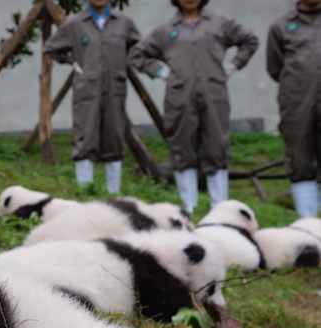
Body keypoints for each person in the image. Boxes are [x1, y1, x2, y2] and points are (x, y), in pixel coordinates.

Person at [130, 0, 259, 213]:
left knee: (216, 147)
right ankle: (188, 208)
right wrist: (161, 72)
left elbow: (250, 40)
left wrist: (233, 65)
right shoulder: (165, 31)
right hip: (180, 97)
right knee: (183, 148)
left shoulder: (220, 23)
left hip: (214, 94)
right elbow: (137, 54)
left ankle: (220, 208)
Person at [45, 0, 141, 194]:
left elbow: (139, 47)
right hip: (86, 90)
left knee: (114, 137)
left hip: (115, 88)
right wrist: (73, 61)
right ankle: (85, 195)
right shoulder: (75, 23)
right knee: (85, 138)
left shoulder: (124, 23)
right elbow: (51, 48)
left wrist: (124, 63)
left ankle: (113, 196)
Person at [267, 0, 321, 218]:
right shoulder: (280, 26)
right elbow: (275, 67)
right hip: (297, 103)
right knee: (300, 158)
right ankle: (308, 222)